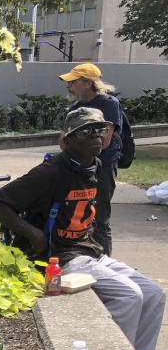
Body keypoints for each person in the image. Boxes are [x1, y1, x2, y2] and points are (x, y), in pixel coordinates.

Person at [0, 108, 164, 350]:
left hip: (88, 251)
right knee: (129, 296)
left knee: (153, 293)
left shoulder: (95, 165)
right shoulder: (50, 172)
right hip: (61, 256)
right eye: (85, 131)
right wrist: (34, 235)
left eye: (100, 130)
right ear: (68, 140)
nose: (95, 136)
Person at [59, 62, 123, 255]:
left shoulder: (108, 104)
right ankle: (84, 257)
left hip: (102, 167)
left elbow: (103, 142)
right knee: (77, 217)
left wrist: (78, 142)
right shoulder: (75, 108)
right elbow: (63, 141)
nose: (68, 85)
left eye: (73, 81)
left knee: (100, 218)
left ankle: (105, 262)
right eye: (68, 82)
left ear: (88, 83)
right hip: (78, 167)